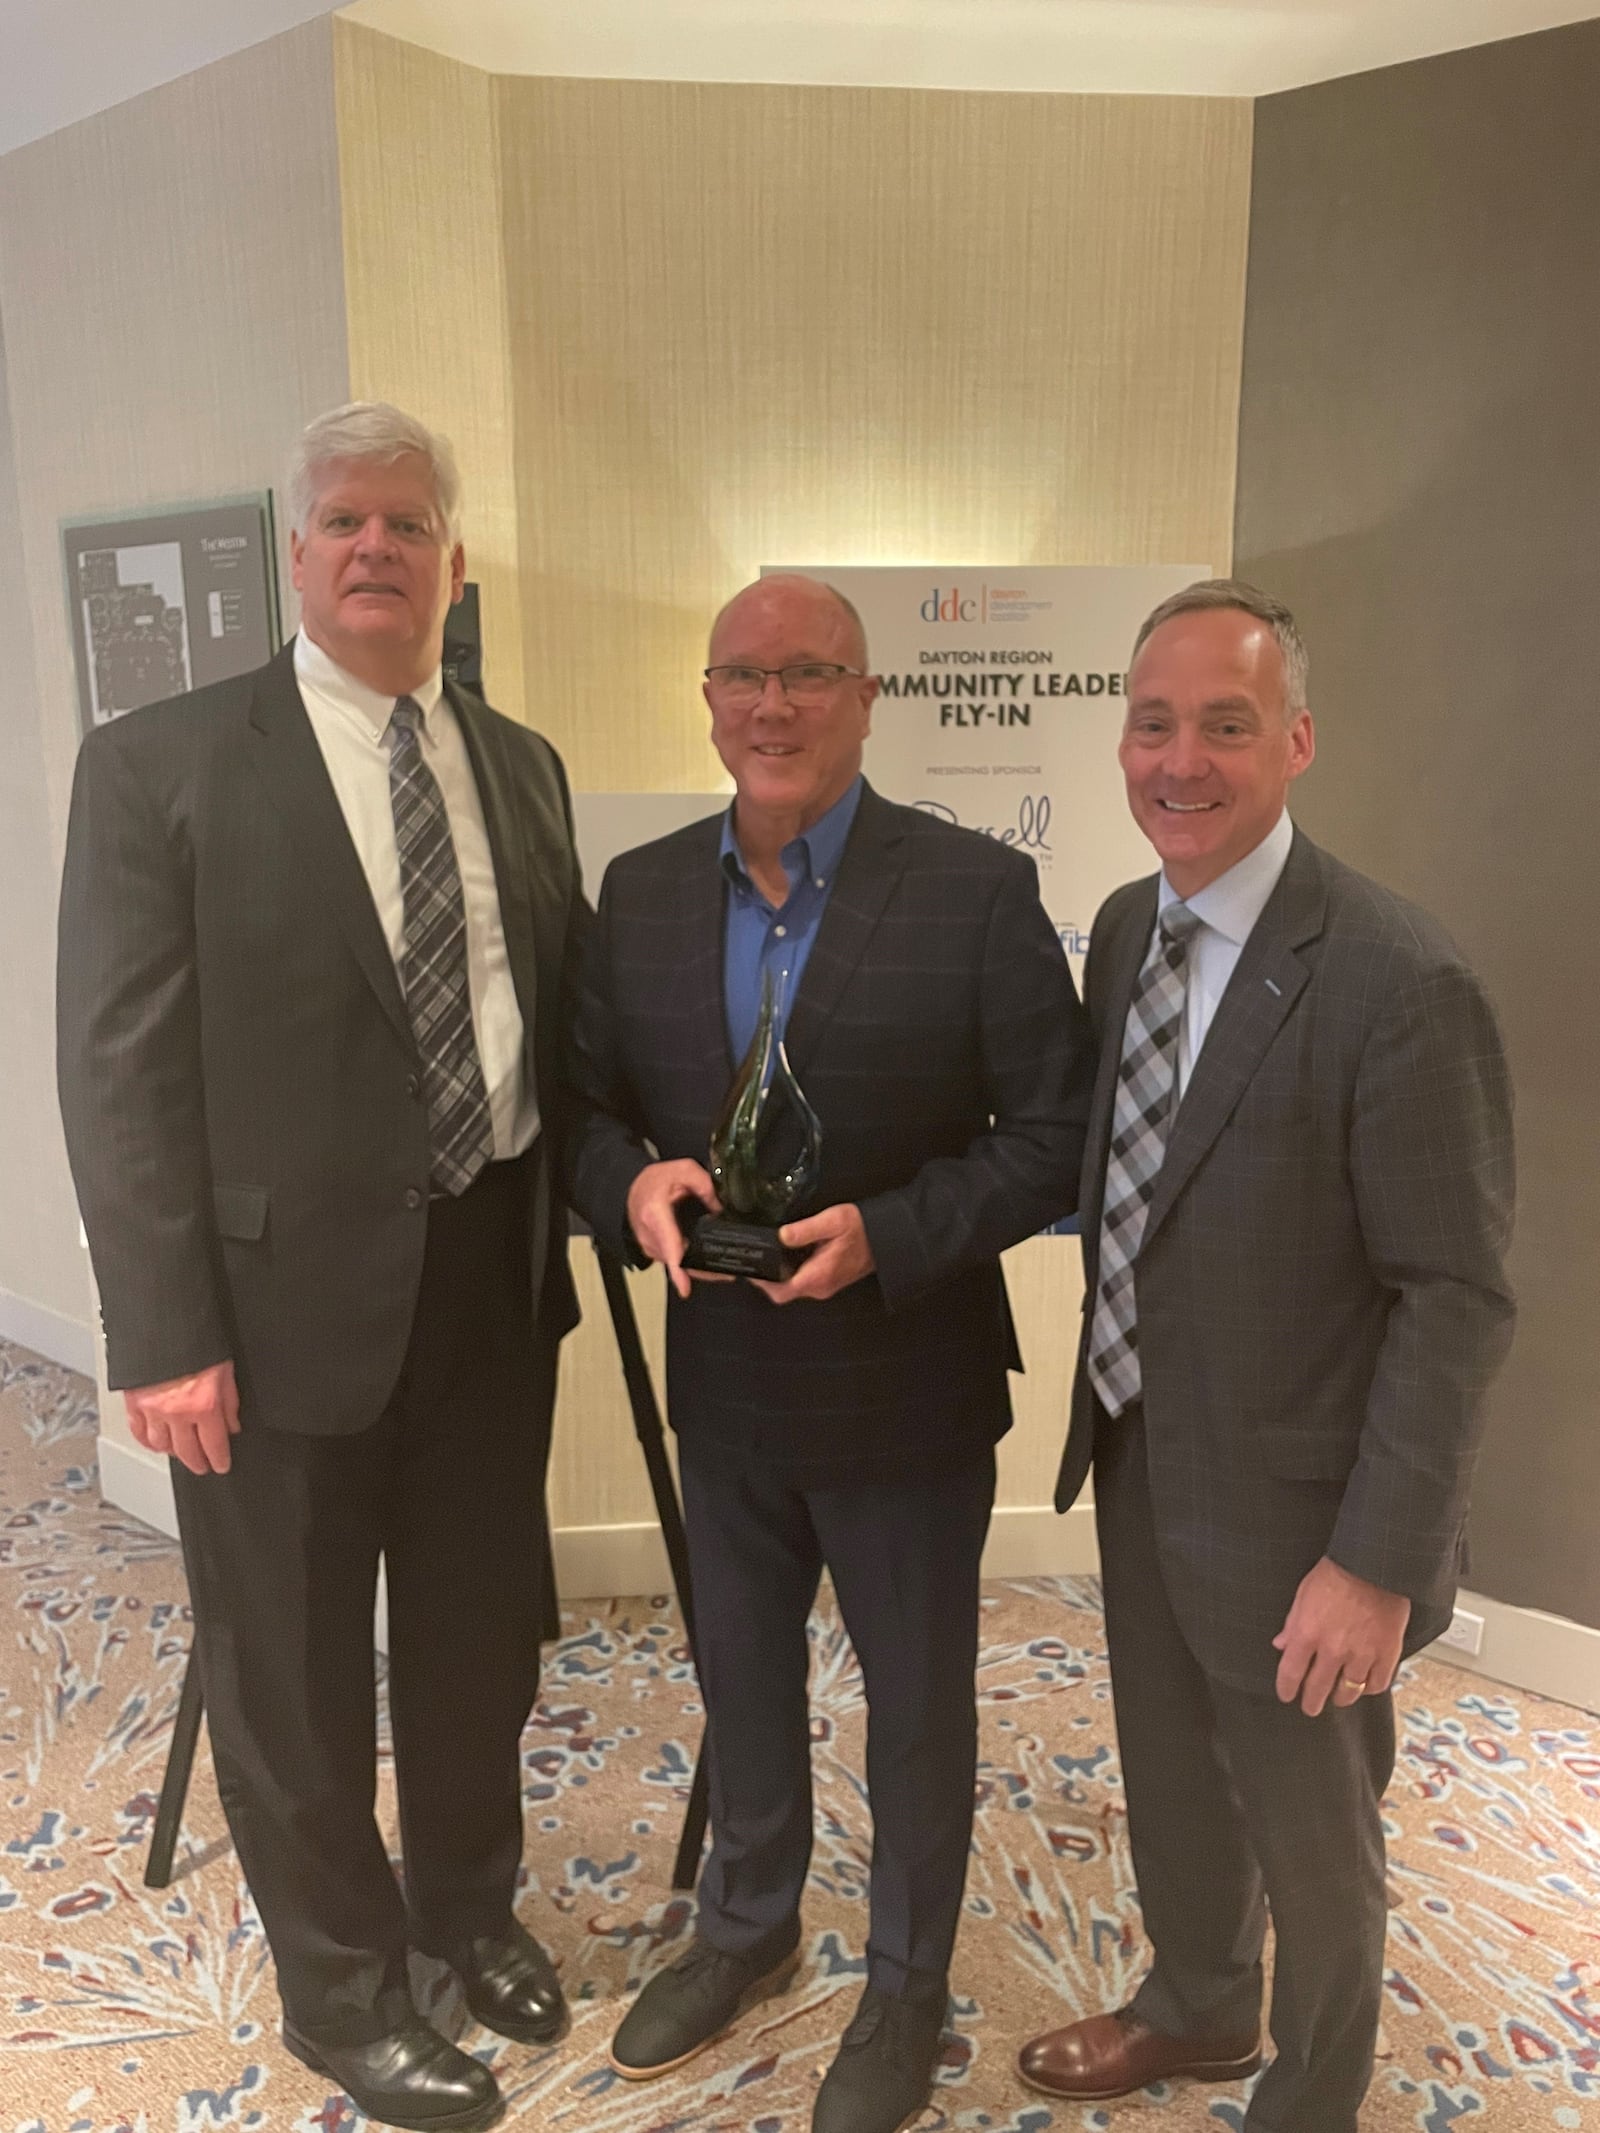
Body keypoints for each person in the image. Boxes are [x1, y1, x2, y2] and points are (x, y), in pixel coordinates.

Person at [57, 403, 588, 2133]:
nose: (377, 549)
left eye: (410, 524)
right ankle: (343, 1991)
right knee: (284, 1669)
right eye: (346, 521)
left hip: (488, 1292)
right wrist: (161, 1332)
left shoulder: (520, 763)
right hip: (269, 1324)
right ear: (297, 552)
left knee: (470, 1642)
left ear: (452, 558)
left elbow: (543, 1020)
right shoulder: (161, 765)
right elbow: (120, 1069)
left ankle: (466, 1907)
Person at [566, 573, 1093, 2133]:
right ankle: (746, 1923)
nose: (773, 704)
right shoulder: (643, 891)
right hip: (722, 1378)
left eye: (809, 673)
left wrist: (896, 1230)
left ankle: (908, 1974)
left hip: (906, 1383)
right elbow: (589, 1117)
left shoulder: (977, 892)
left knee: (918, 1706)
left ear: (869, 698)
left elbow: (1057, 1136)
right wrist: (635, 1182)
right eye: (744, 674)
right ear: (709, 697)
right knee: (741, 1679)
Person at [1017, 580, 1515, 2132]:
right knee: (1171, 1775)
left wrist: (1376, 1557)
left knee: (1315, 1834)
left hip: (1307, 1511)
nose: (1182, 759)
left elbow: (1454, 1295)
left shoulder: (1397, 979)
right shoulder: (1122, 928)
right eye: (1153, 723)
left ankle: (1312, 2091)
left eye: (1225, 724)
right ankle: (1201, 2007)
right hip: (1141, 1447)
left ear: (1295, 738)